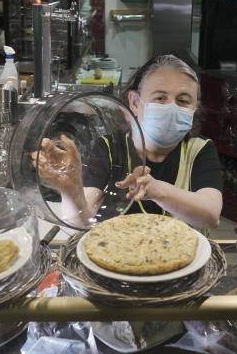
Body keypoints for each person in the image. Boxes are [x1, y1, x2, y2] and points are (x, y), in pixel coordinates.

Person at [34, 54, 223, 229]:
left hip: (185, 253)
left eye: (183, 101)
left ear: (195, 108)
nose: (171, 107)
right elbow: (80, 221)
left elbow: (211, 215)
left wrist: (156, 190)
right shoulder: (109, 149)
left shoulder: (200, 150)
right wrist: (71, 191)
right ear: (134, 102)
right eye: (160, 98)